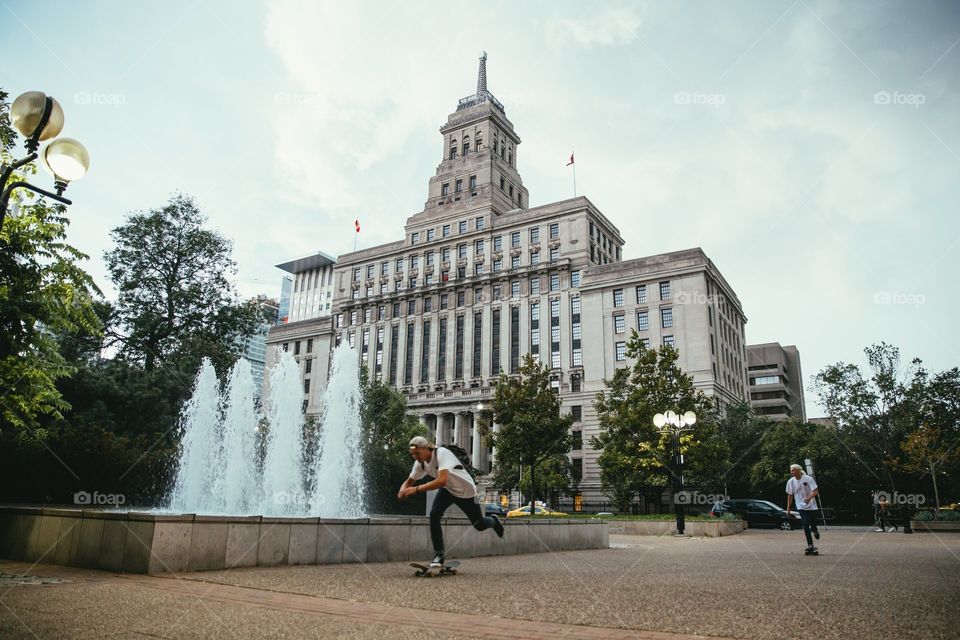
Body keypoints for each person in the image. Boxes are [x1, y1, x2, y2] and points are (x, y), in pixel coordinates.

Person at [398, 436, 504, 569]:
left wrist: (416, 489)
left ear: (426, 448)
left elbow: (441, 480)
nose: (415, 457)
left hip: (466, 491)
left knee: (479, 524)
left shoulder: (442, 453)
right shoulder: (420, 464)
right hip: (448, 490)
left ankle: (494, 521)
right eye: (413, 454)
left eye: (417, 453)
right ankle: (439, 555)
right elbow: (409, 482)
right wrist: (402, 491)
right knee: (434, 515)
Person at [785, 463, 821, 554]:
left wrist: (808, 498)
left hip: (811, 506)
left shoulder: (808, 479)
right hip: (800, 506)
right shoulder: (791, 482)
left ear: (798, 470)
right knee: (805, 523)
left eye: (793, 470)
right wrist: (788, 509)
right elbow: (790, 495)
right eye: (791, 471)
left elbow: (815, 491)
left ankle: (815, 530)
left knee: (813, 522)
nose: (792, 472)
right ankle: (810, 544)